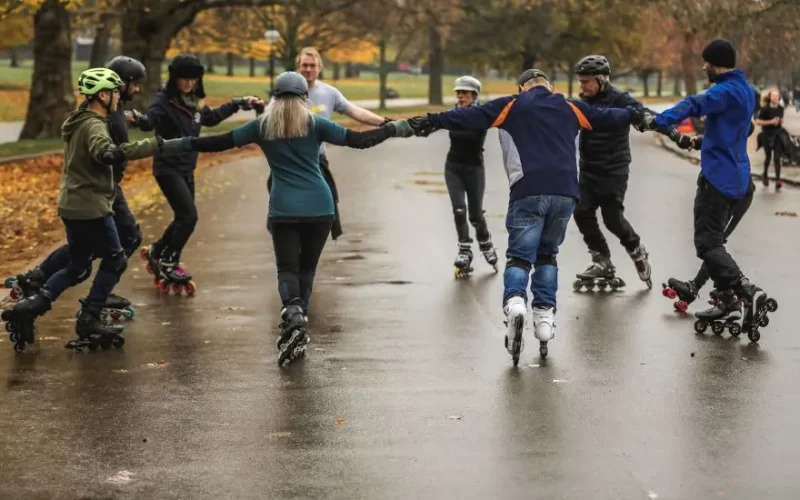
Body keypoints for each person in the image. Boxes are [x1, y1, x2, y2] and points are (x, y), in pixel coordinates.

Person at [158, 71, 413, 366]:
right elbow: (360, 140)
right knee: (307, 270)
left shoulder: (262, 126)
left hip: (285, 208)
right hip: (321, 206)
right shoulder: (315, 124)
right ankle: (298, 323)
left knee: (287, 269)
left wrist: (172, 144)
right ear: (305, 98)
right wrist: (397, 128)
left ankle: (293, 315)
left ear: (274, 98)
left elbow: (217, 142)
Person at [405, 69, 645, 363]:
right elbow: (610, 117)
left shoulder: (511, 104)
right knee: (548, 255)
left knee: (519, 257)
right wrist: (639, 114)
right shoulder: (571, 106)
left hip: (528, 190)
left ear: (521, 88)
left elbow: (466, 116)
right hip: (566, 192)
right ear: (550, 87)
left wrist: (430, 120)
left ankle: (516, 304)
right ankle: (544, 320)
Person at [1, 68, 169, 352]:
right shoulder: (94, 125)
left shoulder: (79, 119)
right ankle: (90, 317)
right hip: (91, 206)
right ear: (103, 95)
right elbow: (103, 150)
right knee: (115, 259)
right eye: (115, 92)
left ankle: (30, 307)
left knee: (78, 266)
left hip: (73, 203)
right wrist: (151, 146)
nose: (118, 97)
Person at [638, 39, 773, 339]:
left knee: (707, 244)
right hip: (740, 177)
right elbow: (739, 128)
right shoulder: (748, 91)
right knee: (716, 245)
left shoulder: (721, 91)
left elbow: (694, 105)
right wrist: (701, 141)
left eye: (705, 62)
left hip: (718, 180)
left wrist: (656, 121)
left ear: (715, 63)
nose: (702, 67)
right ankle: (727, 302)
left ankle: (747, 291)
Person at [129, 53, 264, 294]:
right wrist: (138, 119)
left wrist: (237, 103)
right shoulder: (164, 101)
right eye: (184, 79)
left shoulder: (194, 101)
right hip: (168, 167)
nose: (189, 84)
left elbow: (209, 119)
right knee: (188, 216)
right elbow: (151, 120)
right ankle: (169, 261)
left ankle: (157, 251)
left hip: (187, 168)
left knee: (184, 216)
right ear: (174, 78)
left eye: (193, 79)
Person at [265, 46, 394, 241]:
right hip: (288, 162)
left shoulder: (329, 93)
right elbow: (267, 117)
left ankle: (315, 238)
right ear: (298, 67)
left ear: (320, 68)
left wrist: (385, 123)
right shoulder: (285, 91)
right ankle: (282, 230)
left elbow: (355, 111)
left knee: (329, 199)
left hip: (317, 161)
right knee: (280, 198)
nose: (308, 69)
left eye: (312, 65)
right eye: (304, 65)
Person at [571, 55, 652, 289]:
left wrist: (643, 117)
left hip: (614, 169)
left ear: (601, 80)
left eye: (586, 82)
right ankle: (601, 259)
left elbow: (638, 110)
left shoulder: (619, 99)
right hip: (589, 168)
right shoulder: (584, 101)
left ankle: (636, 249)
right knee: (581, 211)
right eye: (580, 81)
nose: (582, 86)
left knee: (612, 218)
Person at [663, 127, 756, 311]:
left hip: (737, 192)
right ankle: (699, 288)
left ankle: (737, 294)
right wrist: (698, 141)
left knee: (713, 244)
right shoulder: (724, 126)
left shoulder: (733, 121)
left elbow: (738, 131)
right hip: (735, 188)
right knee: (713, 245)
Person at [442, 75, 498, 277]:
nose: (460, 97)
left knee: (475, 215)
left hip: (474, 169)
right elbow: (432, 123)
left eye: (464, 93)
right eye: (458, 93)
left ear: (474, 95)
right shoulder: (452, 114)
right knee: (459, 209)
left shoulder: (482, 115)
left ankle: (485, 241)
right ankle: (465, 250)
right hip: (453, 167)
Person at [755, 88, 784, 189]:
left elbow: (781, 119)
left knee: (777, 158)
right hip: (766, 135)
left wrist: (780, 121)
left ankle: (778, 180)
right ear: (770, 97)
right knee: (768, 157)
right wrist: (771, 122)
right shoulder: (765, 109)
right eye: (773, 96)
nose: (775, 98)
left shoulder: (781, 108)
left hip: (777, 135)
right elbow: (758, 122)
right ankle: (765, 176)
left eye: (777, 96)